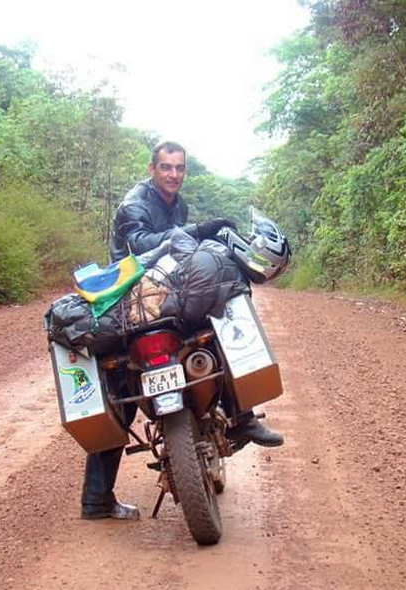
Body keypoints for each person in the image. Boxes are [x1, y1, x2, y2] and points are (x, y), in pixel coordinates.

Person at [81, 141, 284, 521]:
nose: (173, 174)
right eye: (165, 167)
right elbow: (138, 245)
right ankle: (95, 500)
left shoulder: (177, 202)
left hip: (164, 289)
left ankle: (241, 416)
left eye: (179, 168)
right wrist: (196, 229)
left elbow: (180, 247)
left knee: (215, 323)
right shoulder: (134, 205)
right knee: (118, 392)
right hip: (134, 298)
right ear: (152, 168)